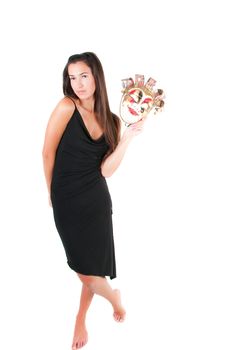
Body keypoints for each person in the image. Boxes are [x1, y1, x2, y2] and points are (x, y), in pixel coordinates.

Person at [42, 52, 147, 350]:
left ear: (96, 76)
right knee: (84, 270)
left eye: (83, 76)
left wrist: (126, 139)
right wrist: (51, 193)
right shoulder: (66, 106)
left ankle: (80, 318)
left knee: (92, 269)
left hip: (96, 202)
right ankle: (115, 297)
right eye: (72, 77)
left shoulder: (112, 121)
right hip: (65, 199)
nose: (78, 83)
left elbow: (106, 170)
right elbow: (47, 152)